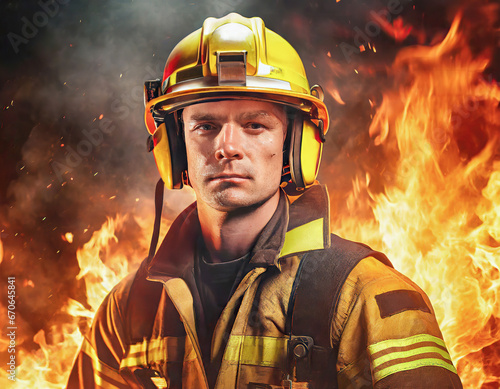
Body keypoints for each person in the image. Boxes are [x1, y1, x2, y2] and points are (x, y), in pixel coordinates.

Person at [67, 13, 463, 389]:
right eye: (205, 126)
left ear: (295, 144)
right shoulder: (128, 307)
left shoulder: (365, 295)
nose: (227, 148)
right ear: (173, 145)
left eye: (255, 125)